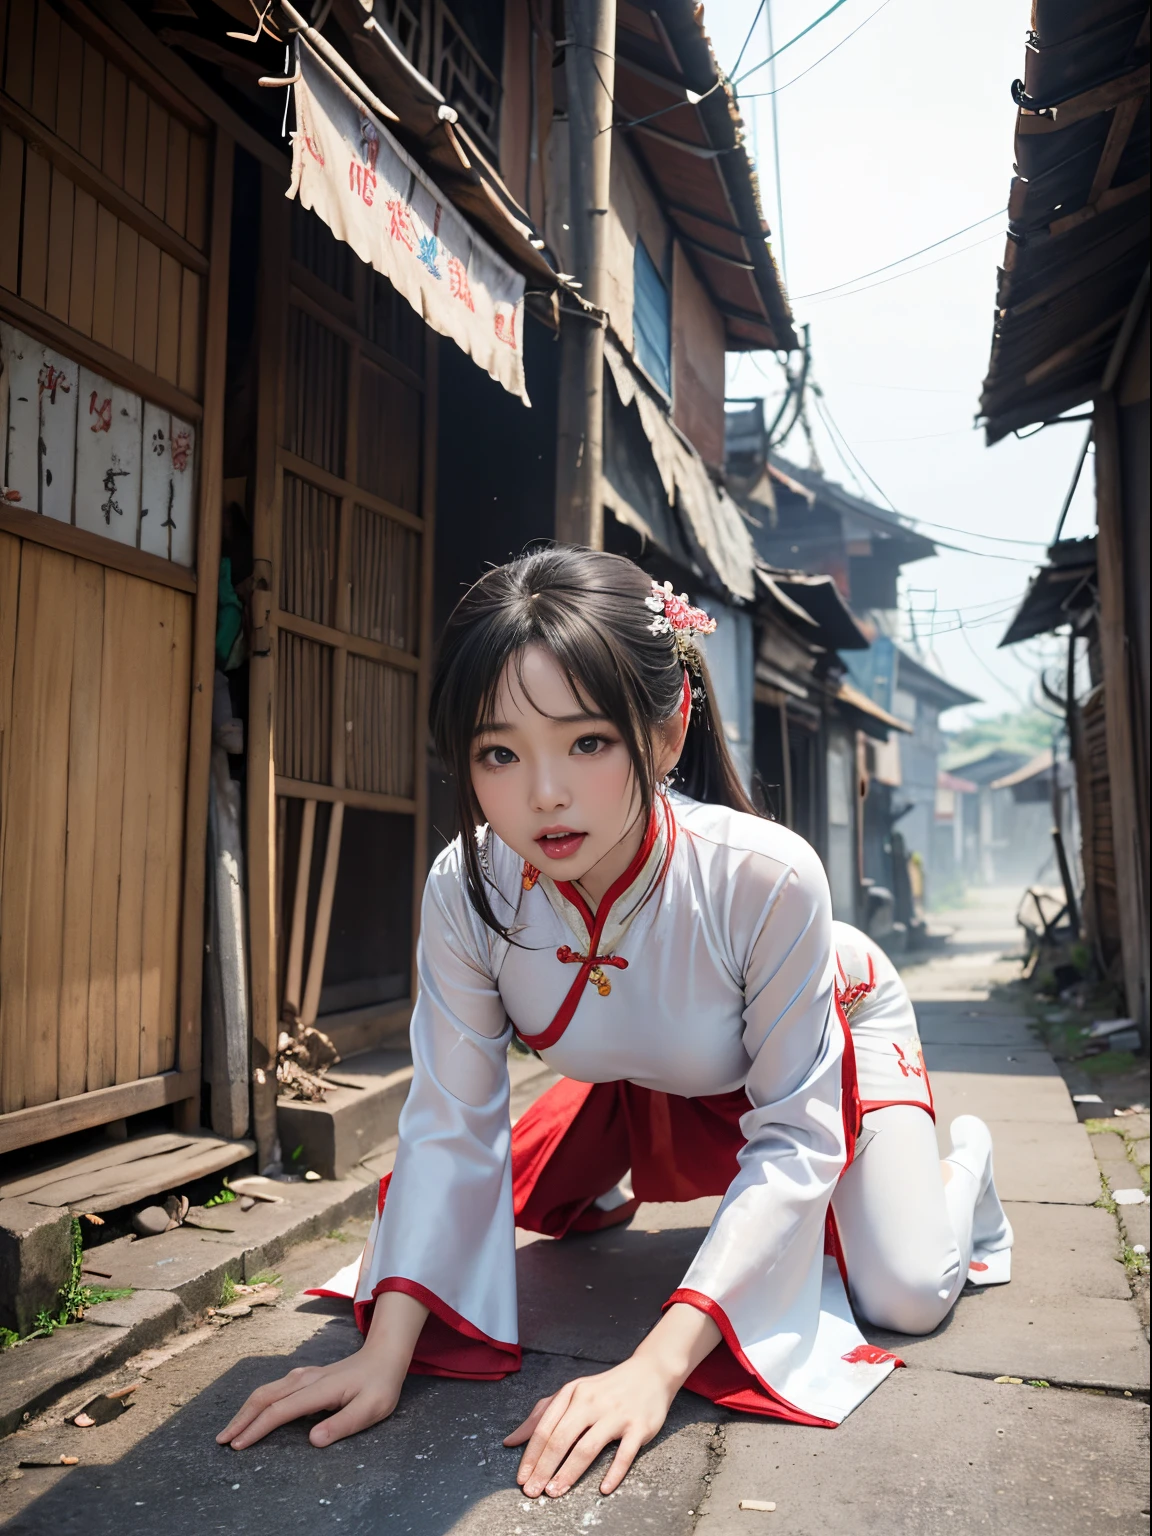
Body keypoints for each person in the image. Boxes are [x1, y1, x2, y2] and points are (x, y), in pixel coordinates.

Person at [218, 548, 1012, 1498]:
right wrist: (385, 1355)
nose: (543, 795)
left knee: (906, 1294)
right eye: (498, 753)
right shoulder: (467, 889)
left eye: (587, 742)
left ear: (668, 729)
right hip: (647, 1065)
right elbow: (449, 1123)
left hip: (818, 1029)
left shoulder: (767, 876)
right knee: (544, 1210)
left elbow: (797, 1134)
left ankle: (961, 1168)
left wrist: (654, 1368)